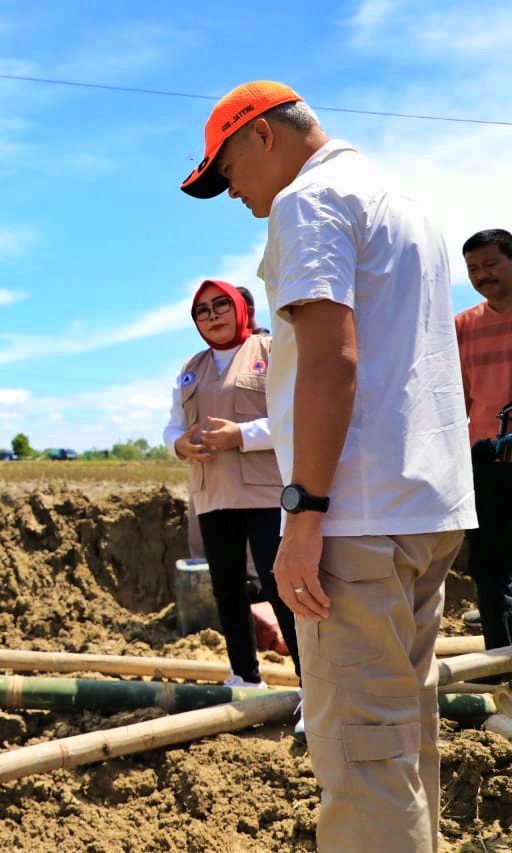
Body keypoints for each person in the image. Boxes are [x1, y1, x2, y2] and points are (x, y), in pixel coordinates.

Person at [180, 81, 476, 852]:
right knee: (403, 735)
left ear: (263, 137)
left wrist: (305, 512)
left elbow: (330, 357)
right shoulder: (403, 203)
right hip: (425, 507)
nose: (235, 195)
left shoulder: (306, 203)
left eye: (227, 172)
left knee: (359, 755)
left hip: (355, 516)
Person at [164, 280, 299, 687]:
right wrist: (179, 444)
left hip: (265, 490)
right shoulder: (191, 367)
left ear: (241, 308)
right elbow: (173, 425)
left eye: (221, 305)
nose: (213, 315)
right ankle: (244, 675)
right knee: (226, 587)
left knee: (280, 586)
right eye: (202, 311)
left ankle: (311, 685)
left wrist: (241, 435)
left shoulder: (273, 351)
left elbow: (294, 416)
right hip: (212, 493)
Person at [455, 229, 512, 657]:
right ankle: (498, 665)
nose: (481, 275)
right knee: (489, 567)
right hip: (485, 459)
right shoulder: (462, 327)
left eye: (490, 264)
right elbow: (456, 397)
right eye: (473, 269)